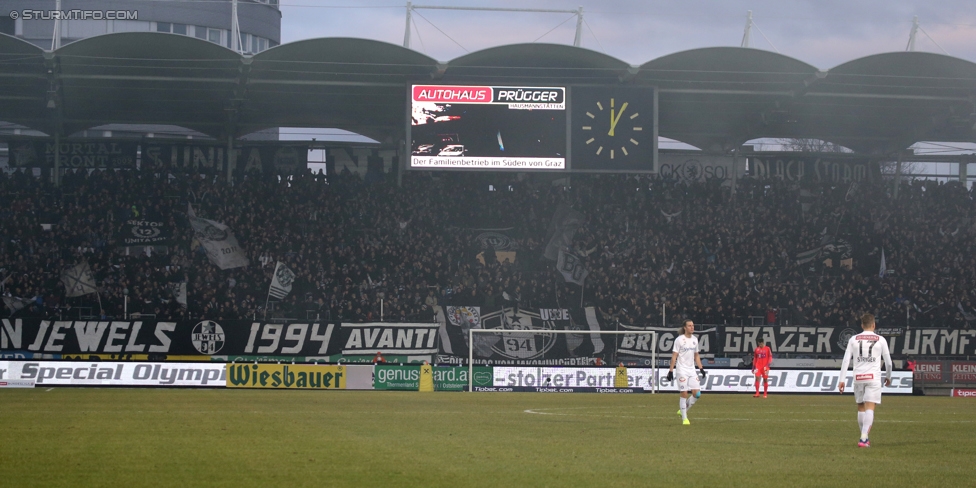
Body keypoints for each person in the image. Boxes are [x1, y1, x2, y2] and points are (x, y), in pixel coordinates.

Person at [837, 313, 893, 448]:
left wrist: (841, 380)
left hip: (858, 377)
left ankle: (864, 437)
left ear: (862, 325)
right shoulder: (881, 340)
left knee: (861, 407)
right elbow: (889, 363)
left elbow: (846, 360)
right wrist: (888, 376)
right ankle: (863, 438)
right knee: (870, 407)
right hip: (873, 377)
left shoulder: (853, 339)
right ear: (874, 325)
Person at [667, 319, 707, 425]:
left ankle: (683, 410)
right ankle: (685, 418)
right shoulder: (679, 340)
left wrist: (701, 368)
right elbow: (674, 356)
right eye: (689, 326)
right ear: (685, 327)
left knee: (697, 394)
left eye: (693, 325)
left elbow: (696, 355)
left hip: (692, 370)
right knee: (684, 393)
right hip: (681, 370)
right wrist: (671, 371)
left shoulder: (694, 339)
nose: (692, 327)